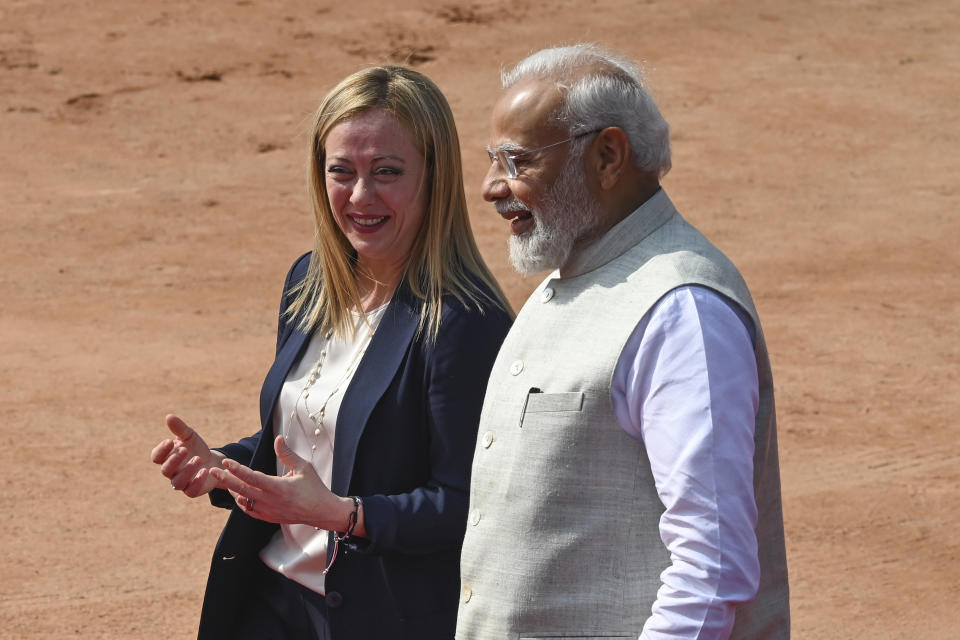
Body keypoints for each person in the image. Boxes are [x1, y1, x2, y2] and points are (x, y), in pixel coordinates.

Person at [151, 65, 513, 640]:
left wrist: (344, 514)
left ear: (434, 175)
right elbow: (309, 441)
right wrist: (227, 468)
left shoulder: (466, 322)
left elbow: (469, 505)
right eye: (341, 171)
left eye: (387, 172)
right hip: (267, 600)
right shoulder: (310, 282)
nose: (360, 197)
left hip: (376, 618)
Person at [456, 44, 790, 639]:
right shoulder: (572, 278)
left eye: (517, 160)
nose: (490, 187)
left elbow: (710, 569)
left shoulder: (683, 312)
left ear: (608, 155)